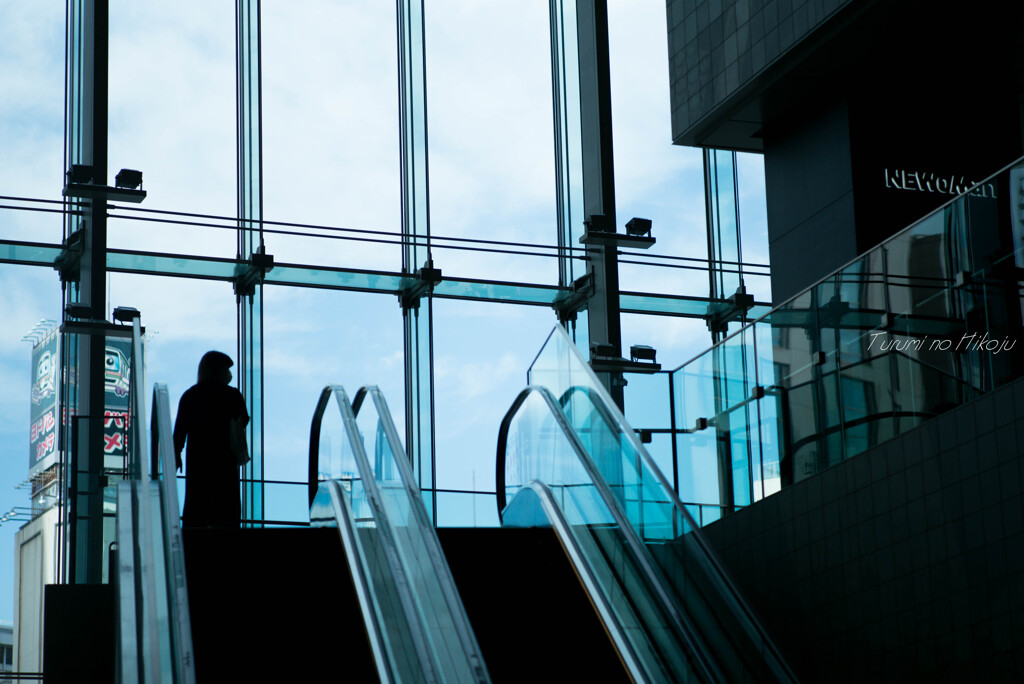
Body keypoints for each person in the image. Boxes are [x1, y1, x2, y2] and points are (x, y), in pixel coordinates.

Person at [173, 351, 249, 527]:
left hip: (199, 465)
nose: (229, 374)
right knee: (226, 516)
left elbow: (179, 433)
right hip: (225, 465)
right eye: (226, 369)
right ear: (218, 370)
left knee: (197, 513)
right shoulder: (232, 395)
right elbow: (243, 420)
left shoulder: (190, 395)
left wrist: (176, 456)